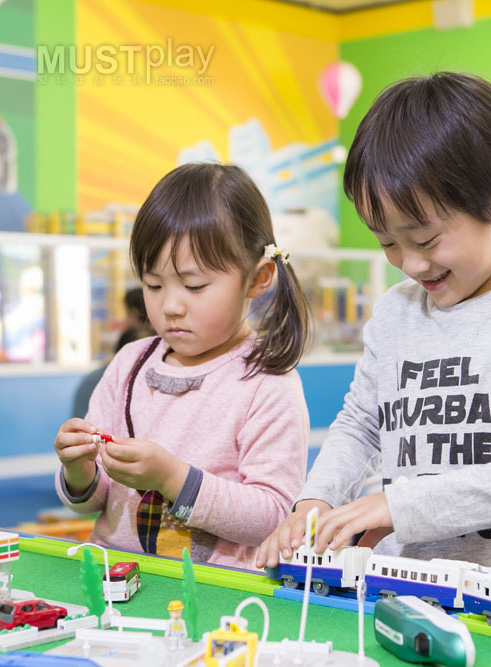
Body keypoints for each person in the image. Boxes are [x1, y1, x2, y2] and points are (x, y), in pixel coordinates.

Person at [256, 72, 491, 613]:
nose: (410, 263)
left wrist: (397, 505)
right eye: (387, 243)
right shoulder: (397, 312)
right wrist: (315, 501)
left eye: (425, 238)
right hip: (402, 589)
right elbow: (361, 422)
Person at [54, 163, 311, 570]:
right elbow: (95, 500)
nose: (170, 305)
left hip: (213, 598)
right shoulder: (129, 364)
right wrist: (79, 471)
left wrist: (171, 478)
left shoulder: (267, 381)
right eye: (153, 285)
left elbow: (274, 516)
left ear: (257, 279)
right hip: (112, 578)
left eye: (194, 286)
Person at [71, 288, 154, 419]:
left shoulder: (96, 380)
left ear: (135, 313)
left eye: (126, 314)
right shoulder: (97, 381)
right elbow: (86, 434)